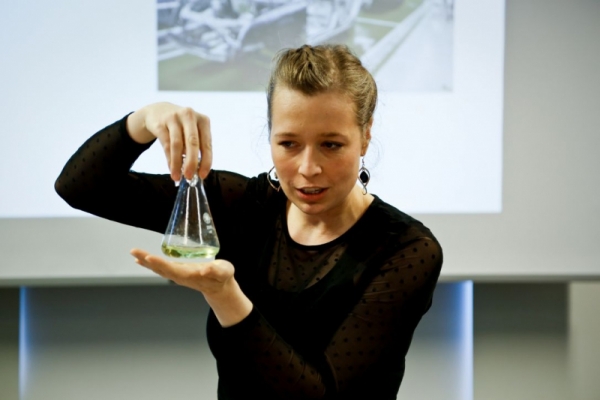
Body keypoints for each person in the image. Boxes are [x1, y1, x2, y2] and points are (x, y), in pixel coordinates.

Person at [55, 44, 443, 399]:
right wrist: (143, 120)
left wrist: (226, 296)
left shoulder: (406, 250)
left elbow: (319, 395)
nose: (308, 168)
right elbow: (81, 187)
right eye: (289, 144)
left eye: (331, 145)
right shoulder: (243, 205)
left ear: (365, 135)